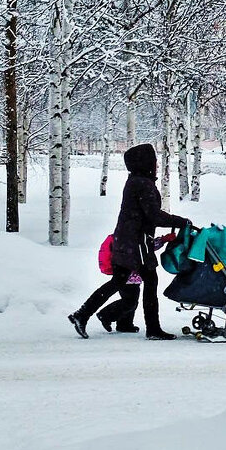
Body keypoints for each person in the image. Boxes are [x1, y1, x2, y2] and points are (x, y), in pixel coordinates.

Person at [69, 143, 188, 340]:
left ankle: (82, 315)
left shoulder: (134, 181)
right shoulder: (143, 184)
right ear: (146, 163)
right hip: (137, 244)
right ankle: (153, 329)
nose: (156, 164)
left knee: (118, 281)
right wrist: (181, 221)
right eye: (154, 161)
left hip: (126, 241)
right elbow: (153, 216)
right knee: (150, 282)